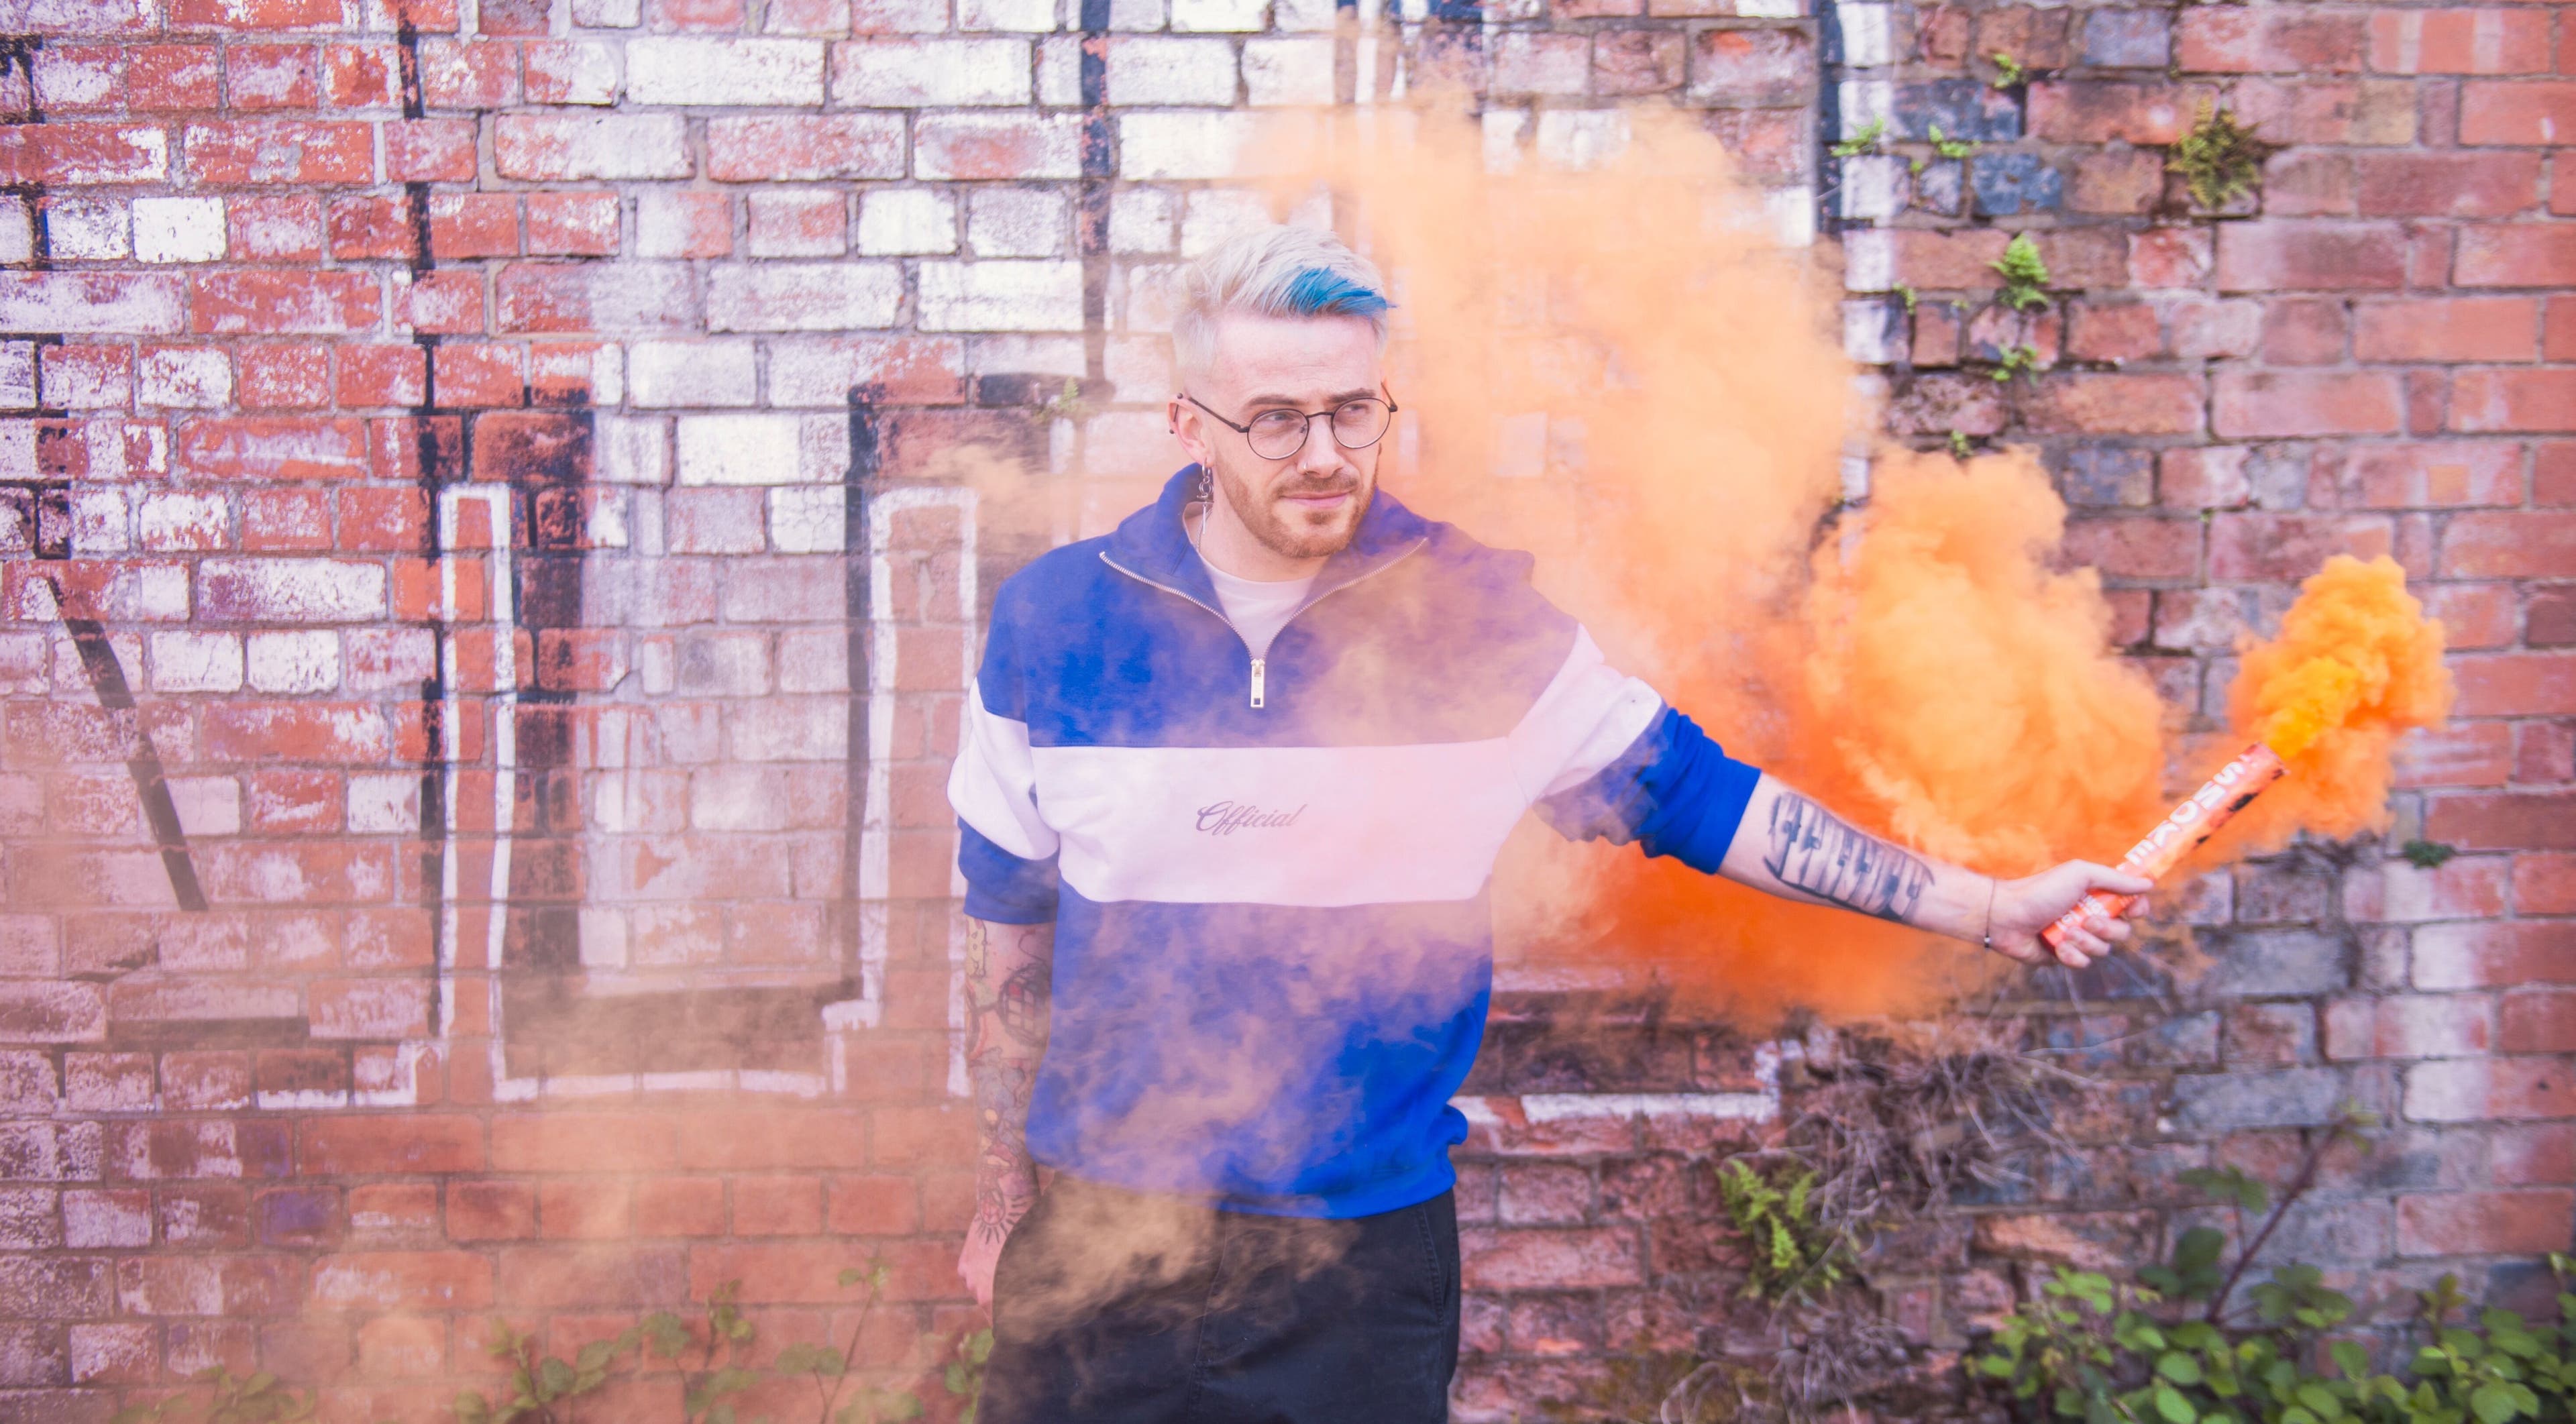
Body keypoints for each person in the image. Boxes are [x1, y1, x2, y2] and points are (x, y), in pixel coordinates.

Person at [945, 224, 2149, 1423]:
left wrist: (1986, 906)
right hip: (1097, 1246)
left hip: (1354, 1276)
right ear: (1186, 423)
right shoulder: (1054, 625)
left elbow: (1700, 797)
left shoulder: (1476, 622)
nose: (1322, 455)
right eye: (1274, 418)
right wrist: (1001, 1205)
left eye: (1353, 411)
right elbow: (1008, 937)